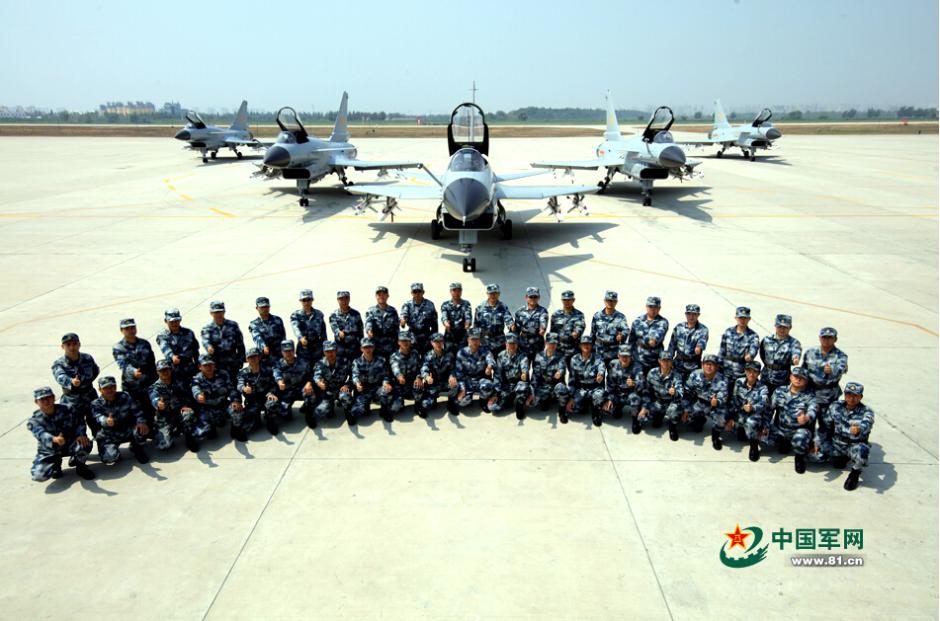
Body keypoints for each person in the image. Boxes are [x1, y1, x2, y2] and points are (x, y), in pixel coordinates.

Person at [808, 382, 874, 491]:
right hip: (836, 444)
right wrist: (817, 442)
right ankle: (838, 458)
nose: (851, 398)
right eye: (849, 394)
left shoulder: (867, 411)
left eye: (855, 396)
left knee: (862, 452)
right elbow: (825, 426)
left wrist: (858, 429)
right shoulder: (836, 406)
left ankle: (854, 475)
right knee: (809, 455)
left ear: (861, 397)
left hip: (853, 445)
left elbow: (867, 425)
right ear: (844, 394)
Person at [749, 366, 817, 472]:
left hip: (796, 431)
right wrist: (765, 426)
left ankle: (799, 459)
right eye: (796, 376)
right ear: (790, 377)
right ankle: (754, 448)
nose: (798, 379)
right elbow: (769, 410)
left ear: (806, 381)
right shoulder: (779, 391)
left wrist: (806, 418)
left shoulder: (810, 396)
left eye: (802, 378)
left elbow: (813, 411)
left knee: (803, 436)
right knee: (754, 422)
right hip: (779, 429)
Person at [27, 386, 94, 481]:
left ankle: (80, 466)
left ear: (54, 397)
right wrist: (53, 439)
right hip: (50, 448)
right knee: (39, 476)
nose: (46, 401)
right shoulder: (34, 420)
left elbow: (79, 421)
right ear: (36, 402)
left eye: (48, 397)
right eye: (42, 399)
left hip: (69, 443)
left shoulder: (68, 409)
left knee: (85, 444)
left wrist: (81, 434)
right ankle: (56, 465)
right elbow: (40, 434)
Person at [149, 359, 206, 452]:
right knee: (164, 445)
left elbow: (188, 394)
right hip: (166, 416)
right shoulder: (154, 387)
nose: (165, 372)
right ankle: (172, 431)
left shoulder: (180, 381)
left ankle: (189, 438)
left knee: (189, 414)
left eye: (166, 369)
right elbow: (153, 398)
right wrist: (158, 404)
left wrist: (186, 405)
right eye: (162, 370)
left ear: (170, 370)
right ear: (157, 372)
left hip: (180, 412)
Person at [802, 327, 848, 440]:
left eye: (829, 338)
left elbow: (842, 369)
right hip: (811, 394)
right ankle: (808, 447)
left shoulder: (841, 356)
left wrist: (832, 370)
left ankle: (825, 448)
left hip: (829, 396)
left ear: (835, 339)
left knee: (827, 425)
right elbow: (803, 371)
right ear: (819, 338)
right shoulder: (810, 353)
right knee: (808, 424)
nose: (826, 340)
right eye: (824, 337)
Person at [91, 376, 149, 465]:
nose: (110, 390)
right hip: (109, 434)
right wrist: (106, 421)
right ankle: (109, 450)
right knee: (109, 458)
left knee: (141, 428)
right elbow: (98, 417)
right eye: (106, 388)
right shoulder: (96, 404)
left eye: (112, 387)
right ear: (100, 390)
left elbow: (137, 411)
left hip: (127, 428)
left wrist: (141, 422)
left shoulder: (125, 396)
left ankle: (138, 449)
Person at [51, 332, 100, 435]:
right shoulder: (59, 363)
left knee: (98, 424)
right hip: (71, 400)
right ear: (62, 346)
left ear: (79, 344)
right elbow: (60, 376)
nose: (72, 347)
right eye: (68, 345)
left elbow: (95, 371)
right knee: (75, 432)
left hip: (89, 396)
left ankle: (104, 446)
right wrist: (71, 382)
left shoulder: (87, 358)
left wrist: (85, 383)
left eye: (74, 344)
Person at [112, 317, 157, 428]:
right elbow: (123, 364)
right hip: (132, 386)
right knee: (134, 412)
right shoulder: (119, 347)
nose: (131, 330)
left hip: (148, 383)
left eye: (132, 327)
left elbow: (152, 362)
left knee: (150, 409)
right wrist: (133, 372)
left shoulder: (144, 343)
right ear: (121, 331)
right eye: (127, 328)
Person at [676, 354, 729, 448]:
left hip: (714, 406)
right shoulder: (695, 374)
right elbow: (687, 393)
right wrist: (686, 410)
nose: (709, 366)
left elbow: (723, 397)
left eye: (712, 364)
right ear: (702, 364)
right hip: (699, 402)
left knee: (721, 418)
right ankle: (698, 421)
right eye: (707, 364)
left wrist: (717, 401)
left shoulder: (723, 379)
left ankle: (715, 438)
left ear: (717, 367)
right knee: (687, 419)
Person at [561, 335, 607, 426]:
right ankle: (584, 405)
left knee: (599, 396)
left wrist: (600, 374)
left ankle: (596, 413)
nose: (586, 346)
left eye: (589, 344)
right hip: (581, 390)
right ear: (580, 346)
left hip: (595, 388)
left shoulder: (598, 358)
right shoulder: (574, 359)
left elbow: (601, 367)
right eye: (584, 344)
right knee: (575, 408)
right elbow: (572, 380)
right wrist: (571, 398)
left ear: (592, 346)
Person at [235, 348, 281, 435]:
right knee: (249, 426)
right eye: (250, 357)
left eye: (255, 356)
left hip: (266, 397)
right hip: (253, 401)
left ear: (259, 357)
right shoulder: (243, 373)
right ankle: (256, 420)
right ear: (247, 359)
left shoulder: (267, 370)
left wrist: (271, 393)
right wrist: (244, 388)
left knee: (273, 403)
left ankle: (270, 422)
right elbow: (239, 384)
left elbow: (273, 384)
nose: (253, 359)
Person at [191, 355, 239, 439]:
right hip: (207, 408)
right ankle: (211, 427)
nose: (209, 367)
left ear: (214, 365)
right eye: (205, 365)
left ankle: (236, 431)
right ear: (199, 367)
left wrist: (235, 400)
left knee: (237, 411)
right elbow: (195, 389)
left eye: (210, 364)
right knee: (199, 435)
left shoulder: (223, 374)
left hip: (223, 404)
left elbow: (231, 389)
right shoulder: (196, 379)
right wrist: (198, 395)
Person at [486, 333, 531, 419]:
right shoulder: (501, 355)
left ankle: (520, 406)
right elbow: (497, 375)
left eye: (514, 344)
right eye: (510, 344)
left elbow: (524, 366)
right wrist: (496, 394)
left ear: (517, 345)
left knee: (522, 387)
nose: (512, 346)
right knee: (492, 407)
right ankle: (509, 400)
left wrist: (524, 373)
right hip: (507, 385)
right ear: (506, 344)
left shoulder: (523, 356)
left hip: (518, 383)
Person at [273, 340, 316, 428]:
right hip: (286, 391)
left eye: (290, 351)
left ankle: (309, 416)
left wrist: (309, 383)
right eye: (286, 351)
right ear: (282, 352)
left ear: (294, 351)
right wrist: (280, 381)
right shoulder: (278, 364)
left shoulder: (303, 362)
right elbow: (276, 374)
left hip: (301, 389)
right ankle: (287, 412)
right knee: (283, 413)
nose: (288, 353)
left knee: (310, 395)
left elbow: (311, 375)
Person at [452, 329, 497, 414]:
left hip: (480, 379)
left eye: (477, 339)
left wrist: (489, 367)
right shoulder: (461, 353)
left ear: (480, 340)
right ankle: (469, 399)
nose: (475, 342)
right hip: (467, 380)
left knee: (488, 386)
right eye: (472, 339)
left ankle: (483, 400)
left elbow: (490, 359)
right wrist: (462, 389)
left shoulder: (485, 351)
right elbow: (459, 374)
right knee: (462, 402)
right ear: (468, 340)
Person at [350, 338, 394, 424]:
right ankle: (365, 407)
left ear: (373, 348)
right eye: (365, 347)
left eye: (370, 347)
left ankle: (384, 411)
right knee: (358, 411)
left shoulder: (381, 360)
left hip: (377, 387)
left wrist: (385, 384)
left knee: (386, 392)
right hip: (364, 389)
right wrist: (357, 384)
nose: (368, 349)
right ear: (361, 349)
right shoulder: (356, 362)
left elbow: (385, 375)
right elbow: (355, 375)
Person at [414, 333, 458, 417]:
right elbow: (424, 368)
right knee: (427, 405)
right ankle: (432, 400)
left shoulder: (449, 355)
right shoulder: (428, 356)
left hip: (445, 382)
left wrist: (452, 376)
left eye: (440, 341)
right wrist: (426, 377)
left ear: (443, 342)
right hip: (433, 383)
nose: (438, 344)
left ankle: (451, 404)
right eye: (436, 342)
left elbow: (453, 369)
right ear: (432, 343)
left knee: (455, 385)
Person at [639, 352, 684, 434]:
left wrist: (675, 392)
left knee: (674, 414)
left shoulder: (677, 375)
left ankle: (672, 426)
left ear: (671, 362)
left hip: (670, 403)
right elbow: (646, 391)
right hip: (658, 402)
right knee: (642, 417)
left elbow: (680, 393)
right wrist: (644, 407)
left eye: (668, 360)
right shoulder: (652, 373)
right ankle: (659, 416)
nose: (666, 363)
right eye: (664, 360)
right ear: (659, 361)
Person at [200, 300, 245, 379]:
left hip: (232, 362)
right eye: (216, 312)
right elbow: (205, 341)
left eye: (220, 312)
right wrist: (209, 347)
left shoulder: (233, 325)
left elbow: (240, 344)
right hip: (217, 363)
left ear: (224, 312)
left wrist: (241, 359)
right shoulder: (207, 328)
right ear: (211, 313)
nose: (218, 315)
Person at [312, 342, 354, 424]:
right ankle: (330, 407)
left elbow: (354, 375)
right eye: (327, 351)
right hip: (328, 391)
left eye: (332, 351)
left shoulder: (344, 361)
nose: (330, 354)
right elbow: (316, 376)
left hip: (341, 389)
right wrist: (319, 382)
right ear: (324, 352)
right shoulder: (320, 364)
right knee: (321, 411)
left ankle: (349, 413)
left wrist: (347, 385)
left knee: (345, 396)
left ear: (336, 350)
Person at [718, 306, 760, 388]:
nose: (742, 320)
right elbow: (722, 350)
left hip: (741, 373)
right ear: (736, 318)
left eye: (745, 318)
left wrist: (750, 355)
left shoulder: (753, 335)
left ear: (749, 319)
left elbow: (754, 348)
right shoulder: (728, 332)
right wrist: (718, 367)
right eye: (740, 318)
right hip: (726, 371)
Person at [759, 314, 802, 392]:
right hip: (766, 377)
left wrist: (795, 358)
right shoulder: (767, 340)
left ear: (790, 327)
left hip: (782, 380)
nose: (782, 330)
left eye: (785, 327)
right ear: (775, 326)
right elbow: (762, 354)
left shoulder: (794, 343)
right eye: (780, 327)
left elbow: (796, 353)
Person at [603, 346, 645, 426]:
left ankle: (635, 420)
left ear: (631, 356)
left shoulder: (637, 366)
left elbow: (642, 383)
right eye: (623, 356)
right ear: (618, 355)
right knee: (608, 408)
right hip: (618, 394)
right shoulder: (613, 364)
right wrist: (610, 398)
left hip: (630, 394)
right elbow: (610, 384)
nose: (625, 359)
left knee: (635, 399)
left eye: (627, 356)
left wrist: (634, 383)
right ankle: (617, 408)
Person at [156, 308, 200, 384]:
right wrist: (172, 356)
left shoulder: (189, 333)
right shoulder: (162, 335)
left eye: (176, 321)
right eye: (171, 321)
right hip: (174, 372)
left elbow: (195, 350)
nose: (174, 323)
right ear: (166, 321)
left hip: (190, 369)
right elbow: (165, 347)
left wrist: (198, 366)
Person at [731, 361, 770, 448]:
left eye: (755, 372)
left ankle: (754, 445)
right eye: (749, 371)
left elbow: (764, 403)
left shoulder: (763, 387)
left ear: (759, 373)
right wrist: (741, 408)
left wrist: (752, 407)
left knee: (751, 422)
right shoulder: (739, 382)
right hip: (741, 412)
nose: (751, 374)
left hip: (755, 415)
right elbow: (734, 399)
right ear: (745, 371)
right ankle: (740, 429)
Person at [667, 304, 709, 381]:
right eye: (689, 314)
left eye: (694, 314)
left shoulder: (703, 329)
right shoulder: (679, 327)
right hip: (678, 365)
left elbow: (702, 341)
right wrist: (669, 360)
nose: (691, 316)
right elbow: (672, 345)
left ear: (698, 315)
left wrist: (699, 347)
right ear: (685, 314)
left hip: (693, 366)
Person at [628, 296, 669, 373]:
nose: (653, 309)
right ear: (646, 307)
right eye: (650, 306)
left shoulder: (663, 322)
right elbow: (631, 340)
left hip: (655, 359)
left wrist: (653, 340)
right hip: (639, 359)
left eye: (655, 307)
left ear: (659, 308)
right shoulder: (637, 321)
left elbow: (659, 335)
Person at [528, 333, 568, 413]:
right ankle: (547, 399)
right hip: (544, 386)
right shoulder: (539, 356)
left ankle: (562, 410)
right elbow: (535, 375)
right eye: (550, 343)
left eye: (555, 343)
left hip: (556, 384)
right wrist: (532, 392)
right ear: (546, 343)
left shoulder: (561, 355)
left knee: (561, 390)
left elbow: (562, 367)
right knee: (541, 405)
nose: (553, 346)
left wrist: (560, 372)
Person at [389, 331, 423, 417]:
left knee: (418, 385)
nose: (405, 343)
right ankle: (400, 402)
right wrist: (399, 376)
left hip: (412, 382)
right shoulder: (394, 356)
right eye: (403, 341)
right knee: (395, 408)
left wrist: (418, 377)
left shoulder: (415, 353)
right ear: (398, 342)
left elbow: (419, 368)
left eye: (407, 340)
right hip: (399, 383)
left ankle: (418, 405)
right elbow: (395, 367)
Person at [474, 283, 514, 355]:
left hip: (499, 342)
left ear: (499, 294)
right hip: (485, 343)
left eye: (495, 293)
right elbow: (476, 325)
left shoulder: (503, 307)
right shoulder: (480, 307)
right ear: (487, 294)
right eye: (491, 293)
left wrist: (511, 325)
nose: (493, 296)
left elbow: (508, 318)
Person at [400, 282, 438, 356]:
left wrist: (434, 338)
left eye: (419, 291)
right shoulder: (407, 305)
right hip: (412, 337)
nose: (417, 294)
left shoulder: (430, 304)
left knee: (427, 360)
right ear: (411, 293)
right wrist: (403, 321)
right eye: (414, 292)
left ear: (423, 292)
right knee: (414, 361)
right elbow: (404, 315)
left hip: (426, 337)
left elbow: (434, 323)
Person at [290, 289, 327, 365]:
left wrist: (325, 346)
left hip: (317, 348)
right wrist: (300, 337)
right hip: (304, 348)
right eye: (304, 300)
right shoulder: (295, 315)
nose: (306, 302)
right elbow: (295, 327)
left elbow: (323, 332)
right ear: (300, 301)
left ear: (312, 300)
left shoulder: (319, 314)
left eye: (308, 300)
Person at [248, 296, 286, 370]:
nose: (264, 309)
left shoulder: (277, 320)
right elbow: (256, 337)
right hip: (265, 356)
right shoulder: (254, 324)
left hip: (279, 355)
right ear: (257, 308)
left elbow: (283, 336)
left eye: (266, 307)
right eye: (262, 307)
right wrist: (263, 346)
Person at [591, 290, 629, 363]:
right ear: (604, 301)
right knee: (598, 374)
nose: (610, 303)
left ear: (616, 302)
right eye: (608, 300)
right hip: (599, 352)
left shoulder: (621, 317)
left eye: (613, 301)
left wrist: (622, 335)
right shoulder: (597, 316)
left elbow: (626, 330)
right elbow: (592, 333)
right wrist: (591, 350)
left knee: (613, 374)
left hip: (613, 352)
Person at [549, 290, 586, 362]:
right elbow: (552, 332)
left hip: (573, 349)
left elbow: (580, 326)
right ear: (562, 300)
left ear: (573, 300)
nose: (567, 302)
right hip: (559, 349)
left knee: (575, 372)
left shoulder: (579, 314)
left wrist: (576, 332)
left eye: (569, 300)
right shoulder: (555, 315)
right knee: (557, 372)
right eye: (564, 300)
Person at [514, 286, 549, 360]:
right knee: (524, 369)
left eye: (535, 297)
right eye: (531, 297)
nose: (533, 299)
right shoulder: (520, 311)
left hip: (537, 346)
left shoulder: (543, 311)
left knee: (538, 370)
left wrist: (543, 328)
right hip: (523, 346)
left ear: (538, 297)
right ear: (526, 297)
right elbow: (516, 330)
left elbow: (543, 321)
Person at [365, 286, 400, 360]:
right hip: (377, 347)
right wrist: (369, 331)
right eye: (379, 295)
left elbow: (397, 329)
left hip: (391, 347)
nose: (381, 296)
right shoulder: (371, 311)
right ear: (375, 296)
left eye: (383, 294)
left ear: (387, 296)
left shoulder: (393, 311)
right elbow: (368, 322)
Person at [329, 291, 364, 364]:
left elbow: (360, 331)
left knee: (356, 373)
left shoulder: (356, 314)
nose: (344, 301)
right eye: (341, 299)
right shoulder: (333, 315)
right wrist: (339, 332)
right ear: (338, 300)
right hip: (341, 350)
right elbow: (334, 328)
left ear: (349, 299)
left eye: (346, 298)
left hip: (355, 350)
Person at [440, 282, 472, 355]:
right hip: (450, 336)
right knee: (449, 357)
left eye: (459, 290)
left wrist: (468, 323)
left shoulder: (466, 303)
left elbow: (468, 316)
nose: (457, 292)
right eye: (454, 290)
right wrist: (445, 322)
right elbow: (444, 316)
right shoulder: (445, 304)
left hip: (462, 335)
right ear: (450, 291)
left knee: (462, 357)